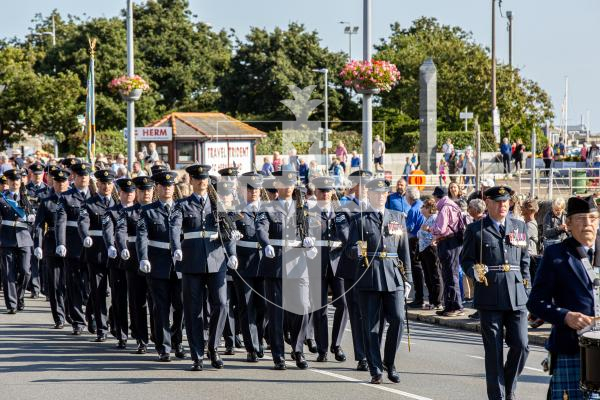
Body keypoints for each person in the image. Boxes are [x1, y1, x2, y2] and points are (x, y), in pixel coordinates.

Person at [461, 185, 530, 400]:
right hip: (490, 294)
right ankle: (498, 397)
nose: (502, 205)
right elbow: (466, 259)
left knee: (521, 345)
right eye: (498, 201)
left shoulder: (519, 226)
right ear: (488, 203)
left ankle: (509, 386)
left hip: (516, 294)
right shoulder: (476, 229)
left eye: (506, 201)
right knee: (494, 352)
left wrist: (527, 287)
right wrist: (474, 271)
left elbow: (525, 260)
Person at [528, 196, 600, 400]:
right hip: (571, 348)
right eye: (581, 219)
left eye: (593, 218)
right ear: (567, 223)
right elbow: (535, 303)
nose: (588, 224)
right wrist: (565, 316)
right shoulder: (556, 254)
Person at [346, 178, 411, 384]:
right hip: (369, 275)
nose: (381, 196)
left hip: (393, 274)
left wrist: (407, 278)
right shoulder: (359, 219)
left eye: (384, 193)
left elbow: (404, 250)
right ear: (370, 195)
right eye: (377, 193)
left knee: (398, 319)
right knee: (372, 326)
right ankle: (375, 368)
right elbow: (348, 250)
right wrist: (356, 250)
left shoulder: (398, 217)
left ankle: (389, 362)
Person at [256, 170, 313, 370]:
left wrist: (309, 241)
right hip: (276, 264)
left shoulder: (302, 208)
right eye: (284, 183)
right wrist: (265, 244)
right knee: (276, 312)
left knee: (303, 307)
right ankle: (278, 355)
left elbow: (308, 229)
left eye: (291, 183)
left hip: (298, 263)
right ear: (277, 186)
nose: (289, 187)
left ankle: (298, 349)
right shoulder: (268, 207)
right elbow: (261, 228)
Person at [136, 170, 185, 362]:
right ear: (157, 188)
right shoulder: (148, 210)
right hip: (158, 264)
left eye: (170, 185)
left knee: (180, 306)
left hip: (180, 265)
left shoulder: (181, 208)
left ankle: (177, 341)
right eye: (163, 186)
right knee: (161, 307)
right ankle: (163, 347)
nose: (167, 188)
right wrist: (143, 257)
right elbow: (142, 236)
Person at [305, 176, 350, 363]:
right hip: (317, 263)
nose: (325, 194)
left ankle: (336, 345)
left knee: (343, 304)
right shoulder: (309, 213)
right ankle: (322, 348)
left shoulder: (341, 213)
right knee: (320, 307)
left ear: (332, 193)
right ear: (316, 193)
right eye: (321, 191)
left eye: (328, 191)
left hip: (338, 263)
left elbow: (348, 236)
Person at [115, 175, 155, 354]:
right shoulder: (128, 212)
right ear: (137, 192)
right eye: (142, 190)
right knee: (137, 302)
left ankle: (159, 336)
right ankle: (141, 338)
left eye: (148, 190)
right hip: (133, 261)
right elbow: (120, 232)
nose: (146, 193)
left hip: (156, 260)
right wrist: (122, 247)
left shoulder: (158, 210)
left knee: (157, 302)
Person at [337, 170, 372, 371]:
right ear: (355, 187)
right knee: (358, 313)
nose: (366, 188)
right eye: (362, 184)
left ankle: (373, 351)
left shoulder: (377, 207)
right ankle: (362, 356)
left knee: (375, 313)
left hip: (375, 268)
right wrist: (365, 246)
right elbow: (345, 234)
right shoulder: (345, 208)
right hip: (353, 267)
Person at [78, 169, 117, 343]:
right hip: (96, 253)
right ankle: (102, 328)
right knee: (99, 291)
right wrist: (85, 236)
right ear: (98, 184)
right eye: (103, 183)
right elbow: (83, 222)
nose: (106, 186)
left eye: (109, 183)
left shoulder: (118, 203)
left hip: (115, 254)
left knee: (116, 292)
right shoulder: (89, 204)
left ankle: (112, 322)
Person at [55, 162, 92, 335]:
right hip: (73, 245)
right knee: (74, 284)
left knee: (94, 285)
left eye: (86, 175)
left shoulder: (96, 196)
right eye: (80, 175)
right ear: (74, 178)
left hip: (94, 248)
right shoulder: (66, 197)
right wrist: (61, 243)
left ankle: (93, 316)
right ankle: (78, 320)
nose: (84, 178)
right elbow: (60, 222)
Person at [233, 172, 267, 362]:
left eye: (256, 189)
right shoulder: (235, 210)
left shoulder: (269, 210)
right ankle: (251, 346)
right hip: (244, 264)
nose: (253, 192)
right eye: (249, 188)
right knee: (247, 306)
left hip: (264, 264)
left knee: (263, 307)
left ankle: (260, 339)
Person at [102, 177, 136, 349]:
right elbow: (108, 231)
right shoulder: (111, 212)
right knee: (119, 297)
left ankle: (137, 331)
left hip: (135, 259)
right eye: (125, 192)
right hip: (117, 260)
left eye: (131, 192)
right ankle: (122, 334)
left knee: (136, 299)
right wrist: (110, 246)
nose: (129, 195)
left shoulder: (140, 211)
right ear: (120, 193)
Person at [33, 167, 70, 327]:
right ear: (52, 182)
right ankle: (59, 317)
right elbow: (40, 225)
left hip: (71, 244)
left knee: (70, 282)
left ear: (68, 182)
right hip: (52, 245)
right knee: (55, 284)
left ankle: (72, 314)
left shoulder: (74, 200)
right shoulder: (46, 201)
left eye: (63, 181)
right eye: (57, 181)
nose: (60, 184)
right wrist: (38, 245)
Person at [0, 169, 34, 314]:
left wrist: (32, 217)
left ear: (21, 182)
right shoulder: (2, 198)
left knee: (26, 272)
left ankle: (19, 296)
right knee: (8, 273)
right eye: (12, 180)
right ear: (7, 182)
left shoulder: (28, 198)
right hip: (6, 239)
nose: (15, 183)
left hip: (24, 238)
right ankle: (12, 304)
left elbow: (35, 217)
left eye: (17, 180)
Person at [431, 186, 465, 317]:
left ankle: (456, 306)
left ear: (436, 196)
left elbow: (440, 228)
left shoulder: (445, 207)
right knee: (450, 274)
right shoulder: (452, 205)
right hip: (453, 242)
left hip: (448, 242)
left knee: (450, 275)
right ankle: (450, 305)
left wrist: (431, 229)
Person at [418, 197, 443, 310]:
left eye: (423, 207)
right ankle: (432, 300)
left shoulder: (434, 218)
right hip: (424, 250)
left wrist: (426, 230)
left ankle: (437, 302)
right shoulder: (426, 219)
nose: (421, 209)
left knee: (434, 275)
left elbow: (435, 234)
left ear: (429, 208)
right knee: (428, 276)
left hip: (431, 249)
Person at [405, 187, 425, 308]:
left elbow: (409, 228)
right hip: (422, 240)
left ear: (409, 197)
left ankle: (419, 298)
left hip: (414, 241)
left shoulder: (413, 209)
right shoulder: (421, 205)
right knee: (421, 269)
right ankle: (420, 297)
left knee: (416, 269)